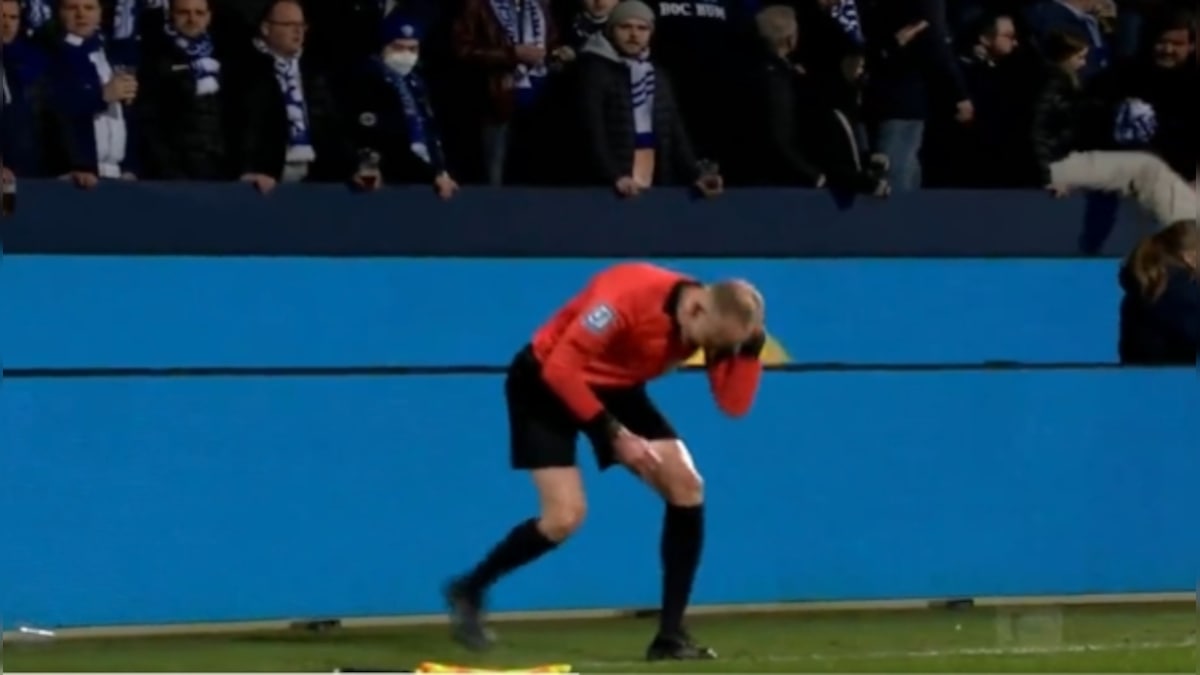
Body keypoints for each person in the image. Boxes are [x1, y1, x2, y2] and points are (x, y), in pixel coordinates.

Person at [444, 262, 768, 661]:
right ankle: (469, 588)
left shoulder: (716, 326)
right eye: (710, 342)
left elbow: (733, 405)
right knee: (564, 517)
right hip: (546, 383)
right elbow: (561, 369)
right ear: (697, 309)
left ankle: (670, 637)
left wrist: (748, 350)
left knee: (686, 486)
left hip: (617, 388)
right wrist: (614, 434)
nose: (705, 352)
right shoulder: (626, 297)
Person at [1118, 220, 1199, 365]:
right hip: (1169, 383)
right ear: (1190, 257)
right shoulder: (1178, 290)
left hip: (1138, 382)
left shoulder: (1148, 285)